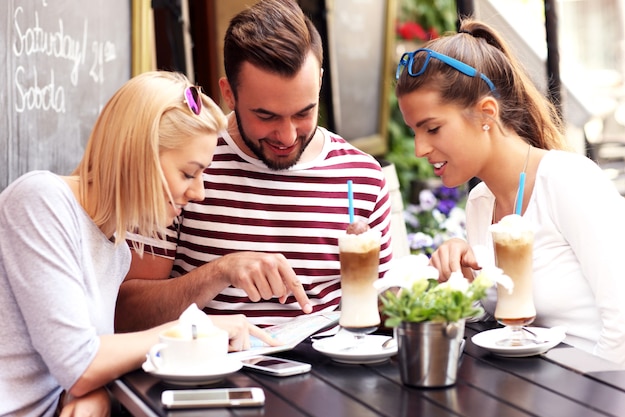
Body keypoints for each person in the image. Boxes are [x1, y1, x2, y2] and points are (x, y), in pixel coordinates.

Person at [0, 71, 277, 416]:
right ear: (138, 155)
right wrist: (192, 328)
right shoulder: (40, 201)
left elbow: (82, 364)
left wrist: (88, 392)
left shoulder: (116, 249)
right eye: (188, 173)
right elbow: (80, 364)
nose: (199, 192)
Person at [115, 0, 393, 331]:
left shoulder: (362, 178)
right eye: (266, 115)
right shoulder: (185, 166)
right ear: (228, 94)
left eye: (304, 112)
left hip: (333, 378)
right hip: (211, 377)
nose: (287, 135)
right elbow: (126, 315)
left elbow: (384, 311)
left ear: (319, 82)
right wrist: (220, 272)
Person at [395, 18, 625, 365]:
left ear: (487, 113)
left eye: (432, 128)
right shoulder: (480, 201)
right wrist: (462, 278)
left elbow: (623, 325)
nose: (419, 149)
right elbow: (499, 324)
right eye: (415, 131)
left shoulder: (568, 181)